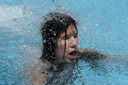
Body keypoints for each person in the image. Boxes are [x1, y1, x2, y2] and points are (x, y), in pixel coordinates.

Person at [29, 12, 107, 84]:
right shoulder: (40, 71)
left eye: (75, 36)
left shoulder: (78, 53)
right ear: (51, 43)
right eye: (66, 38)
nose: (74, 43)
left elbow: (104, 58)